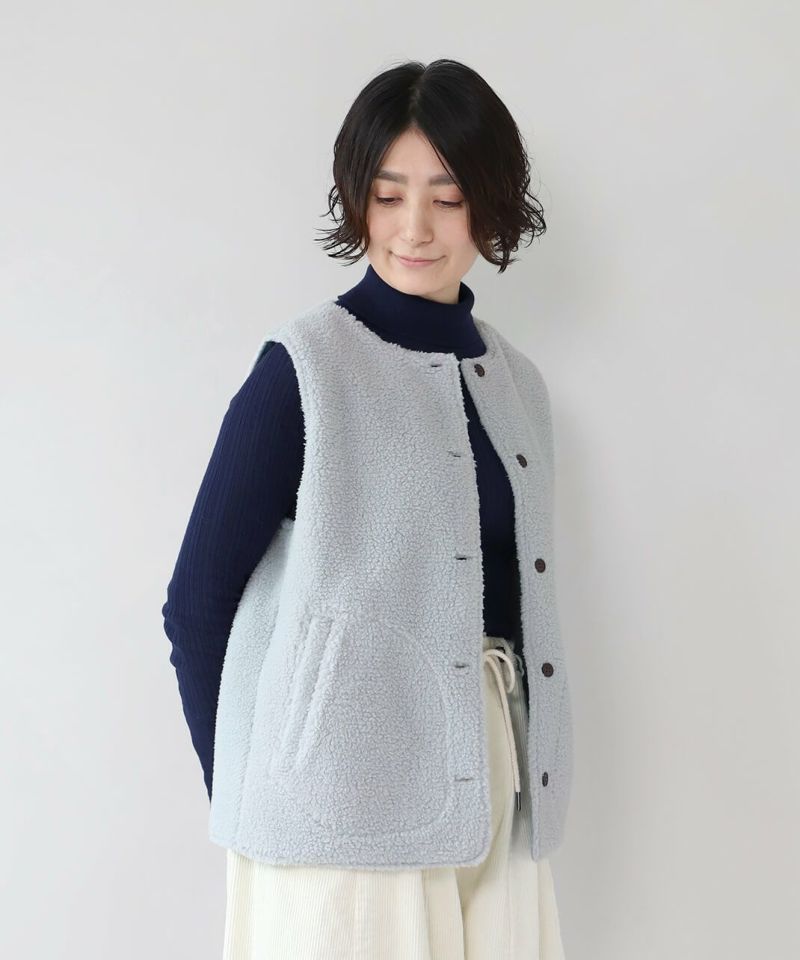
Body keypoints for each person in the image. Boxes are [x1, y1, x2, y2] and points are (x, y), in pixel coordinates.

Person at [162, 57, 573, 960]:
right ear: (358, 202)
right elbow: (195, 603)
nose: (414, 227)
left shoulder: (518, 385)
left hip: (494, 792)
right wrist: (261, 787)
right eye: (388, 196)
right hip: (338, 806)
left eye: (448, 197)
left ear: (492, 205)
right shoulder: (304, 368)